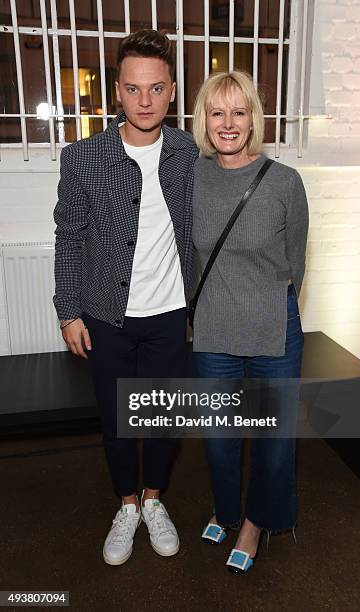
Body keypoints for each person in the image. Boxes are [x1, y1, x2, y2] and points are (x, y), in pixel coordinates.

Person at [53, 30, 197, 566]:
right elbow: (68, 235)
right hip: (106, 317)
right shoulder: (83, 158)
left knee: (164, 420)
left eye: (156, 89)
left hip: (168, 317)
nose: (145, 101)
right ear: (117, 91)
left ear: (173, 91)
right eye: (133, 89)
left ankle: (156, 501)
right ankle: (128, 505)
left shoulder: (188, 152)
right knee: (116, 421)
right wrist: (68, 310)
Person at [190, 70, 309, 573]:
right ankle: (226, 506)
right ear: (204, 120)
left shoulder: (284, 181)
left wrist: (267, 306)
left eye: (239, 112)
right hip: (213, 331)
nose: (229, 123)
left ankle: (256, 523)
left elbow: (295, 264)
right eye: (218, 112)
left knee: (272, 443)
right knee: (219, 441)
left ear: (254, 118)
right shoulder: (190, 175)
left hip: (271, 331)